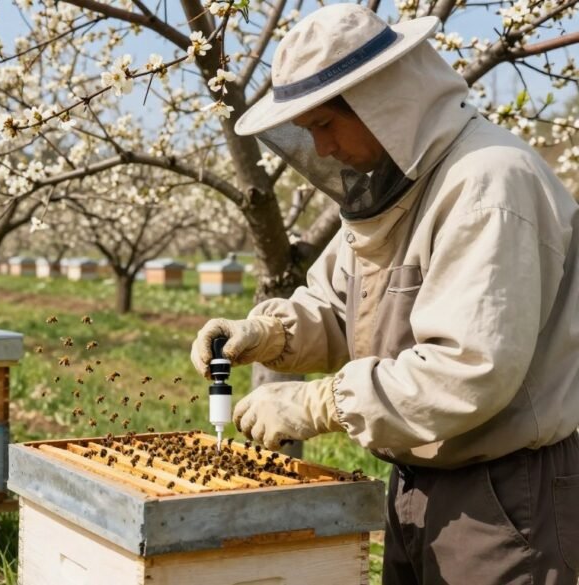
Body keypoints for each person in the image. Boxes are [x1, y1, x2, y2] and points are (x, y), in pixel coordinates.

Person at [189, 4, 579, 584]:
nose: (320, 149)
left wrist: (317, 404)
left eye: (325, 124)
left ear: (384, 100)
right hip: (418, 478)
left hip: (503, 492)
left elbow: (470, 370)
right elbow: (343, 305)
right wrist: (269, 332)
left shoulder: (485, 184)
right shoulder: (395, 190)